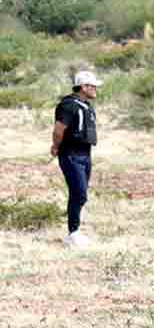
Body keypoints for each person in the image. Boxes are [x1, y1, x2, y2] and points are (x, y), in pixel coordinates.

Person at [52, 70, 102, 247]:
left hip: (85, 155)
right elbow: (59, 129)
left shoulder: (86, 106)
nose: (96, 89)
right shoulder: (68, 105)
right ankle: (73, 233)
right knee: (79, 193)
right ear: (84, 87)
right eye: (93, 86)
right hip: (71, 155)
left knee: (81, 195)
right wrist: (56, 147)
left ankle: (75, 231)